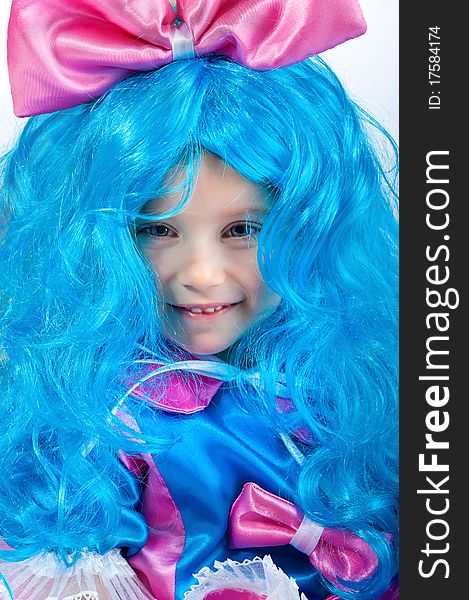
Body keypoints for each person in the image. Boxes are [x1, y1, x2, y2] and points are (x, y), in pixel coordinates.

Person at [0, 1, 399, 598]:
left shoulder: (341, 385)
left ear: (313, 233)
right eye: (155, 230)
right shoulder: (115, 417)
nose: (203, 275)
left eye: (244, 230)